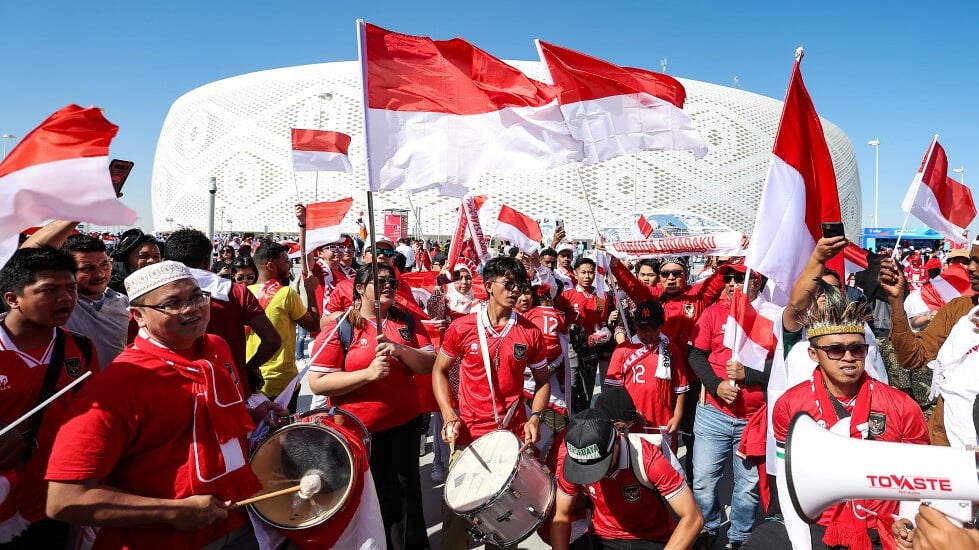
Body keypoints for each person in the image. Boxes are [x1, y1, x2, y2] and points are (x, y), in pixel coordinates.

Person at [45, 260, 265, 549]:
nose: (192, 309)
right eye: (172, 303)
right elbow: (64, 500)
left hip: (241, 521)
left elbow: (209, 419)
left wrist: (254, 411)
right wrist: (171, 511)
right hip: (162, 540)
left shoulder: (215, 347)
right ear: (138, 315)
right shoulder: (120, 384)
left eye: (197, 296)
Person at [766, 284, 928, 550]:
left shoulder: (902, 405)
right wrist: (801, 543)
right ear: (813, 353)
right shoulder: (790, 405)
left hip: (881, 528)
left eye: (857, 349)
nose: (849, 358)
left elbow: (917, 475)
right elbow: (787, 479)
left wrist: (906, 521)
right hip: (818, 527)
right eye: (835, 350)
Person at [308, 263, 435, 550]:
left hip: (405, 425)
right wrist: (367, 375)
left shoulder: (405, 320)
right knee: (367, 502)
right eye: (378, 281)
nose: (388, 285)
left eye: (391, 281)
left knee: (405, 496)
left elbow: (429, 363)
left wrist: (400, 349)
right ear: (359, 289)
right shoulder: (343, 326)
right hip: (358, 433)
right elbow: (318, 382)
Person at [433, 256, 550, 550]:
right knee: (456, 519)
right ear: (488, 286)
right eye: (508, 284)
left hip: (510, 440)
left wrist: (535, 417)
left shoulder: (530, 333)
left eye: (521, 285)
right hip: (469, 438)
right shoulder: (462, 328)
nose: (517, 291)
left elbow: (544, 381)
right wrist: (449, 414)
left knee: (504, 522)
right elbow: (439, 370)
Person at [0, 246, 97, 548]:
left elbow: (89, 419)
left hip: (49, 506)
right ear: (13, 299)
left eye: (71, 288)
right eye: (49, 290)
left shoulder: (81, 349)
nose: (66, 299)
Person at [688, 265, 773, 549]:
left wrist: (748, 375)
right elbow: (696, 356)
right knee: (702, 480)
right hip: (713, 414)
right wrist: (716, 386)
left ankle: (739, 538)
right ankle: (707, 527)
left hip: (754, 419)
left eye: (741, 278)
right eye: (729, 278)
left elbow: (782, 368)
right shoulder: (713, 312)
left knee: (747, 487)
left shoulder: (770, 316)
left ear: (756, 283)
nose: (733, 283)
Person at [551, 408, 703, 550]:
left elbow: (693, 518)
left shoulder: (646, 457)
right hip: (602, 536)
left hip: (649, 539)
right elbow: (561, 516)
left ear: (618, 439)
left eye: (599, 466)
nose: (595, 475)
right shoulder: (575, 461)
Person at [879, 238, 979, 446]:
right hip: (951, 437)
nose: (970, 267)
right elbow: (913, 357)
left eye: (978, 261)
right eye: (971, 260)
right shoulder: (958, 310)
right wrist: (896, 302)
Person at [604, 300, 688, 447]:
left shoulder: (671, 349)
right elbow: (614, 389)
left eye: (652, 327)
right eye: (642, 327)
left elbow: (680, 388)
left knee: (664, 465)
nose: (646, 332)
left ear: (661, 326)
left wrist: (678, 416)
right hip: (633, 420)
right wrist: (629, 410)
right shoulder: (622, 350)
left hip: (663, 420)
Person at [247, 240, 319, 411]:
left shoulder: (243, 293)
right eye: (286, 261)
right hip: (282, 383)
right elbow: (314, 325)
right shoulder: (286, 294)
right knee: (282, 435)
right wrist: (310, 290)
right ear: (271, 266)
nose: (289, 265)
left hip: (249, 379)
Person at [561, 256, 613, 412]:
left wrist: (603, 334)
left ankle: (584, 414)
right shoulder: (567, 295)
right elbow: (559, 321)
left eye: (590, 273)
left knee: (588, 383)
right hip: (571, 346)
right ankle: (569, 414)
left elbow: (602, 323)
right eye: (583, 272)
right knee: (573, 380)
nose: (587, 276)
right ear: (575, 274)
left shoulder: (602, 297)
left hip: (591, 348)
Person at [107, 228, 162, 295]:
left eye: (156, 256)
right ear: (126, 257)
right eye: (144, 256)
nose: (152, 260)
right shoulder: (110, 288)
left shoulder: (163, 282)